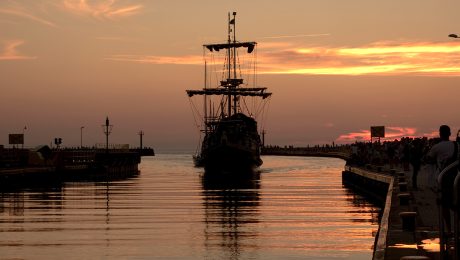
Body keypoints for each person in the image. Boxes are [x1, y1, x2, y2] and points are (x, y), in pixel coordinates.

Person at [426, 125, 458, 234]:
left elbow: (428, 158)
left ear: (440, 134)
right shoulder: (457, 145)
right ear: (449, 134)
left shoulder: (437, 147)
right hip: (457, 178)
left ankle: (449, 230)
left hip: (443, 178)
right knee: (456, 203)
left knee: (445, 205)